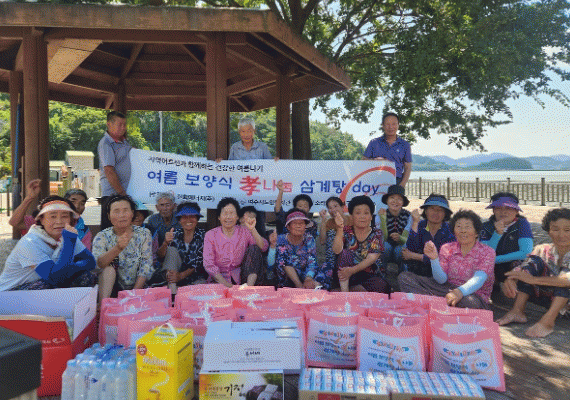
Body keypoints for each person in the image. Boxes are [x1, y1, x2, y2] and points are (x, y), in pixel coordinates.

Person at [398, 209, 495, 309]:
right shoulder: (447, 248)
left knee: (470, 302)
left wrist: (459, 292)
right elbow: (441, 280)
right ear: (454, 232)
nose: (463, 230)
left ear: (476, 232)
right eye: (459, 226)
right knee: (405, 278)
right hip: (445, 289)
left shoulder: (487, 252)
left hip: (472, 294)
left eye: (467, 227)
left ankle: (432, 303)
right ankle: (442, 305)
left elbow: (479, 279)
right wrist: (434, 259)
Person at [497, 208, 570, 338]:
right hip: (547, 298)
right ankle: (517, 310)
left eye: (567, 230)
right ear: (548, 231)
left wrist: (533, 280)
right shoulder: (543, 249)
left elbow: (566, 280)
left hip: (567, 303)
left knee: (563, 282)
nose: (561, 235)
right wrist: (512, 278)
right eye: (555, 229)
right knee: (533, 261)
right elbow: (524, 267)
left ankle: (548, 321)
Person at [0, 196, 96, 291]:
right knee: (53, 283)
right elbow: (57, 279)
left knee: (86, 276)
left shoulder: (67, 235)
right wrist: (69, 244)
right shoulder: (29, 242)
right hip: (11, 293)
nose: (59, 221)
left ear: (71, 220)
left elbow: (90, 261)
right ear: (42, 220)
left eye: (65, 216)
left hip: (42, 286)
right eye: (53, 216)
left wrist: (68, 269)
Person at [92, 195, 153, 300]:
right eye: (116, 211)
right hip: (109, 289)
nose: (122, 215)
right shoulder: (102, 236)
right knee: (108, 269)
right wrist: (117, 248)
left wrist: (132, 294)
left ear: (132, 213)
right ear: (109, 216)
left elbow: (146, 266)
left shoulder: (144, 234)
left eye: (125, 210)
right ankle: (103, 305)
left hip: (137, 288)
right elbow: (98, 265)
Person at [203, 197, 269, 287]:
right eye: (225, 213)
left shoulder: (244, 232)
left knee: (254, 248)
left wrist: (252, 229)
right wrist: (228, 286)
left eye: (231, 213)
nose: (228, 217)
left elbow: (263, 247)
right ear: (219, 217)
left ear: (237, 217)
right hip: (218, 280)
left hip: (241, 278)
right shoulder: (210, 235)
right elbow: (209, 265)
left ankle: (248, 289)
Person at [9, 180, 93, 250]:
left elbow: (84, 260)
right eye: (73, 201)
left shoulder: (84, 232)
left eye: (82, 203)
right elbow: (14, 222)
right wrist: (29, 198)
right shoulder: (42, 221)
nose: (77, 206)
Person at [331, 195, 390, 293]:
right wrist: (340, 228)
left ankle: (344, 291)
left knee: (382, 286)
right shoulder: (346, 230)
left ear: (371, 216)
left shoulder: (377, 233)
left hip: (367, 275)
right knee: (345, 254)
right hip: (345, 275)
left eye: (366, 213)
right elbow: (336, 250)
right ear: (351, 216)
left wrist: (352, 271)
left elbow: (372, 258)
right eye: (358, 213)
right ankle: (345, 293)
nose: (362, 217)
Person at [480, 192, 534, 283]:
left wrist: (494, 260)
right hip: (491, 267)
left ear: (516, 211)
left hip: (514, 264)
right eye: (498, 208)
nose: (503, 211)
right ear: (493, 210)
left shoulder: (522, 224)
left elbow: (526, 253)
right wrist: (497, 234)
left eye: (508, 208)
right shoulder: (486, 226)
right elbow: (485, 253)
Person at [402, 194, 455, 277]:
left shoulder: (450, 230)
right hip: (421, 272)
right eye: (432, 208)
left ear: (445, 214)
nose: (436, 212)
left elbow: (443, 259)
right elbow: (411, 248)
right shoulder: (420, 225)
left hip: (442, 274)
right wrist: (415, 223)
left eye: (440, 210)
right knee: (403, 277)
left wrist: (415, 256)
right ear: (425, 211)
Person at [158, 202, 208, 289]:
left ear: (197, 218)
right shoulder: (174, 234)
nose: (188, 220)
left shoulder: (205, 236)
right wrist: (165, 243)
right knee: (171, 250)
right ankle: (172, 289)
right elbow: (160, 257)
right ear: (180, 220)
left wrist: (181, 275)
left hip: (196, 278)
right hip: (173, 276)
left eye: (192, 216)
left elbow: (198, 263)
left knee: (200, 286)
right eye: (184, 217)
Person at [97, 111, 131, 230]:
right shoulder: (106, 143)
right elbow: (109, 170)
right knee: (110, 231)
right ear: (109, 124)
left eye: (124, 125)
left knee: (125, 230)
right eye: (119, 124)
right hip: (113, 195)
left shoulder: (124, 142)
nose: (123, 127)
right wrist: (122, 193)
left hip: (124, 194)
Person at [363, 112, 412, 187]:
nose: (391, 127)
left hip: (396, 182)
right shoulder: (374, 142)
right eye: (387, 124)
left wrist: (402, 185)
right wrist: (374, 161)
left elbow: (408, 167)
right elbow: (363, 161)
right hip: (375, 181)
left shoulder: (405, 145)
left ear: (398, 125)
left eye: (394, 124)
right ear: (383, 125)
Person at [276, 209, 320, 288]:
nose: (298, 226)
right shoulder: (281, 239)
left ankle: (314, 287)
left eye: (301, 223)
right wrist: (299, 284)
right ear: (288, 227)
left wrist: (308, 278)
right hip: (288, 277)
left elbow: (312, 261)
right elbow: (284, 262)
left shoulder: (309, 238)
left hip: (306, 275)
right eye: (295, 223)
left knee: (326, 268)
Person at [316, 196, 351, 290]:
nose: (333, 210)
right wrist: (323, 220)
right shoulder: (329, 222)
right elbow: (322, 241)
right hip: (332, 259)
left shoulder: (351, 219)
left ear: (342, 207)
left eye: (335, 206)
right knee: (320, 279)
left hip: (349, 259)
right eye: (330, 208)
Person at [377, 185, 412, 270]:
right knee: (385, 246)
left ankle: (402, 271)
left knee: (401, 249)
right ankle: (382, 270)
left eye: (399, 199)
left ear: (403, 202)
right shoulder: (381, 214)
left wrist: (400, 238)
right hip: (386, 247)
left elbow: (406, 238)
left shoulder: (408, 216)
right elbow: (383, 238)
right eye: (392, 198)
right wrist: (383, 219)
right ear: (387, 200)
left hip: (400, 247)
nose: (395, 201)